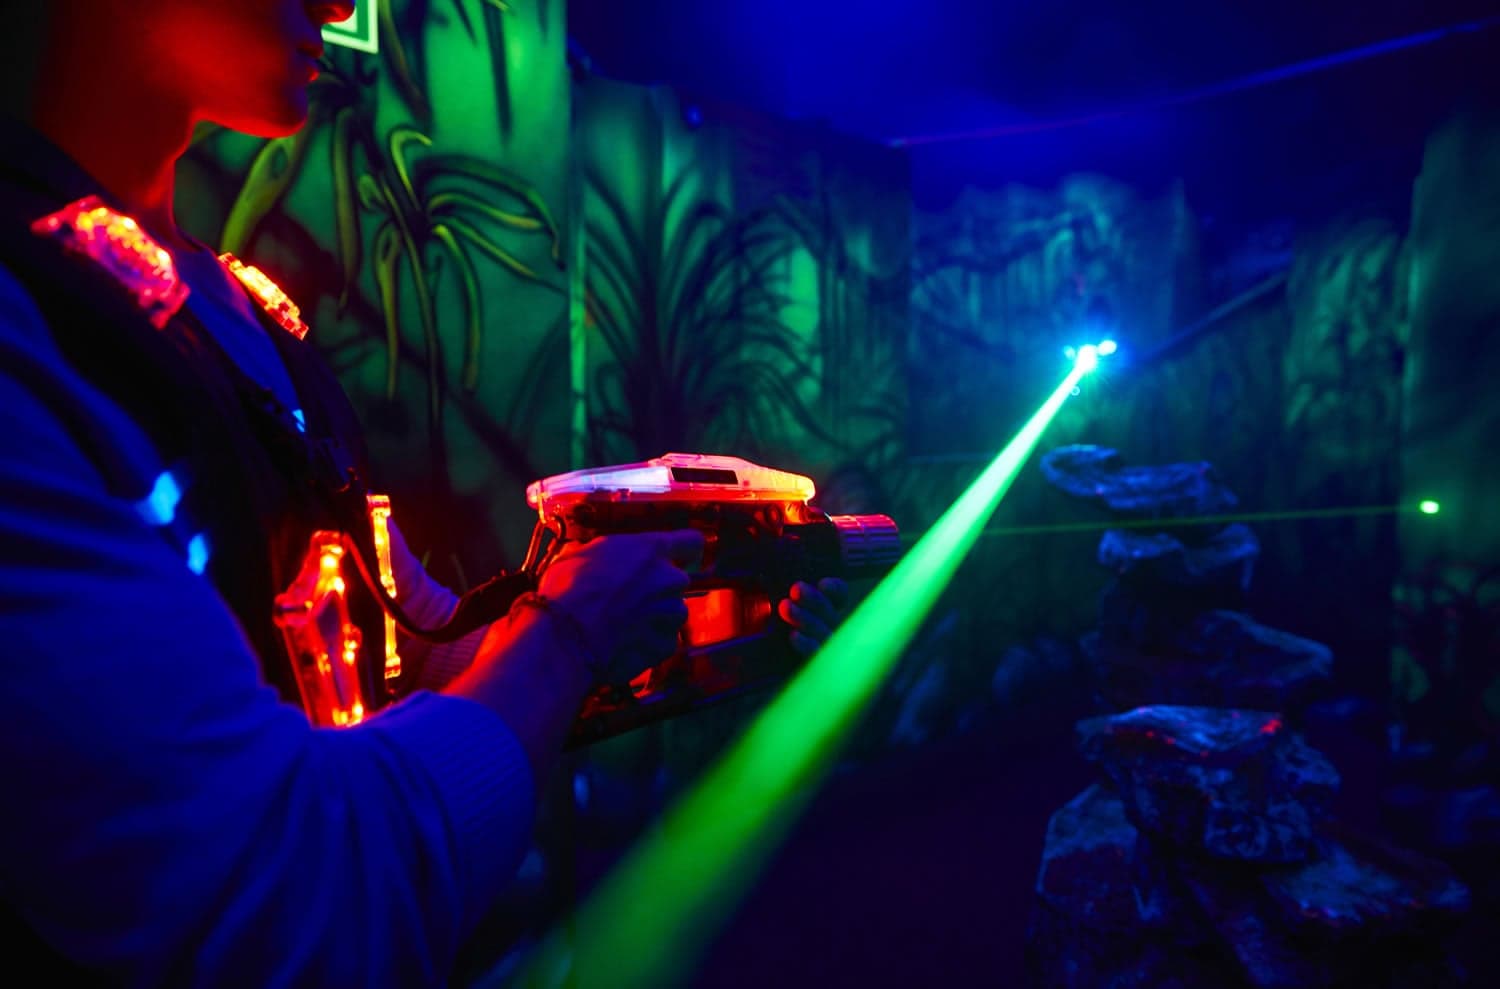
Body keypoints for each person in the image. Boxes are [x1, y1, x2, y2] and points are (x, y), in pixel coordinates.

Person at [0, 1, 846, 984]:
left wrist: (682, 611)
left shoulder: (232, 304)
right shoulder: (34, 322)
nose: (340, 6)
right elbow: (292, 903)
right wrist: (570, 627)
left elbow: (425, 645)